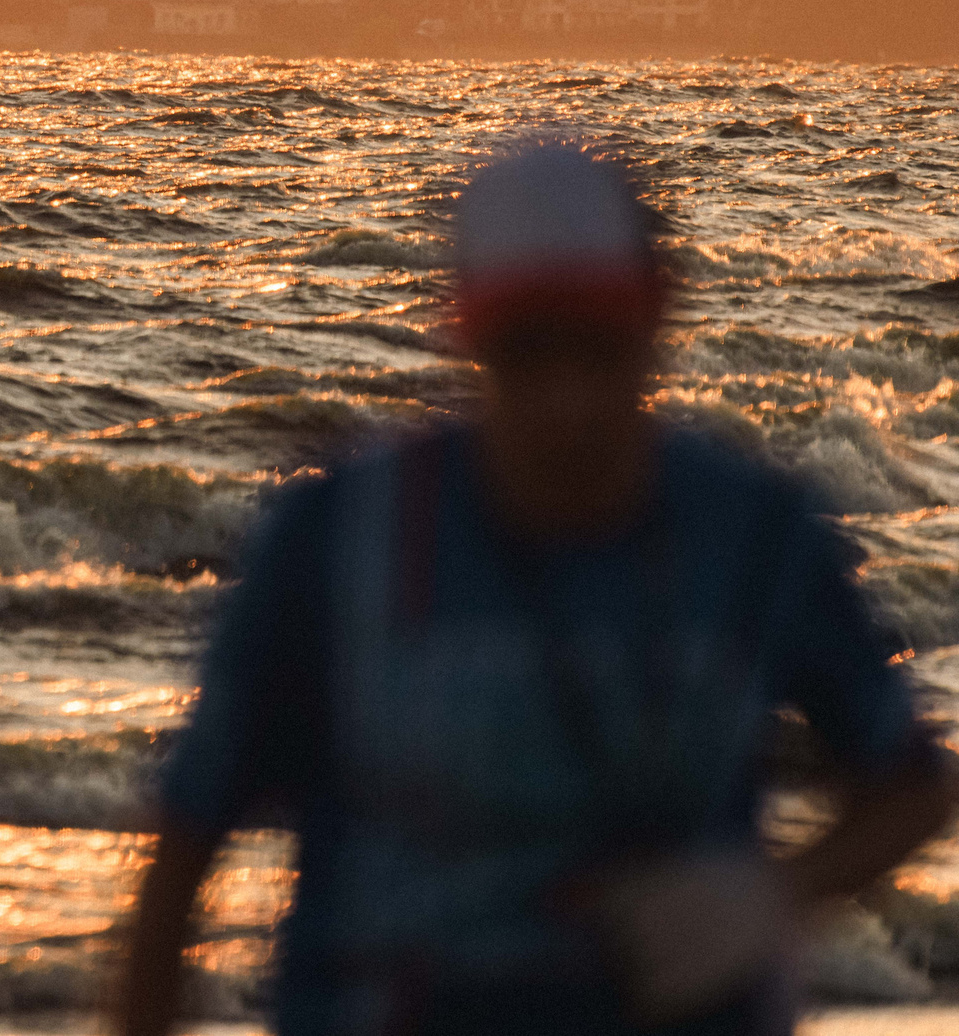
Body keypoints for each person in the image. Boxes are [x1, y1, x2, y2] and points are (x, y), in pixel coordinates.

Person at [115, 140, 956, 1036]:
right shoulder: (339, 542)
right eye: (528, 351)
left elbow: (909, 782)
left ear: (656, 321)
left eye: (597, 349)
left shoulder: (754, 538)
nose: (566, 397)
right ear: (467, 334)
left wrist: (769, 895)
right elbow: (184, 853)